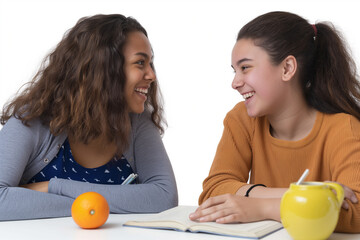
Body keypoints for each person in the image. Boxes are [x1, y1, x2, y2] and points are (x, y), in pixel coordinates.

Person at [189, 11, 360, 232]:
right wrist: (307, 195)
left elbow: (356, 211)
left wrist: (262, 207)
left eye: (245, 67)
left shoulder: (343, 128)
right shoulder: (241, 119)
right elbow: (214, 189)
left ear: (287, 68)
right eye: (234, 70)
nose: (235, 82)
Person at [0, 14, 178, 221]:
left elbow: (164, 198)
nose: (152, 75)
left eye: (150, 63)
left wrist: (53, 187)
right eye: (140, 63)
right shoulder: (32, 120)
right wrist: (93, 205)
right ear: (103, 68)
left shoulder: (138, 123)